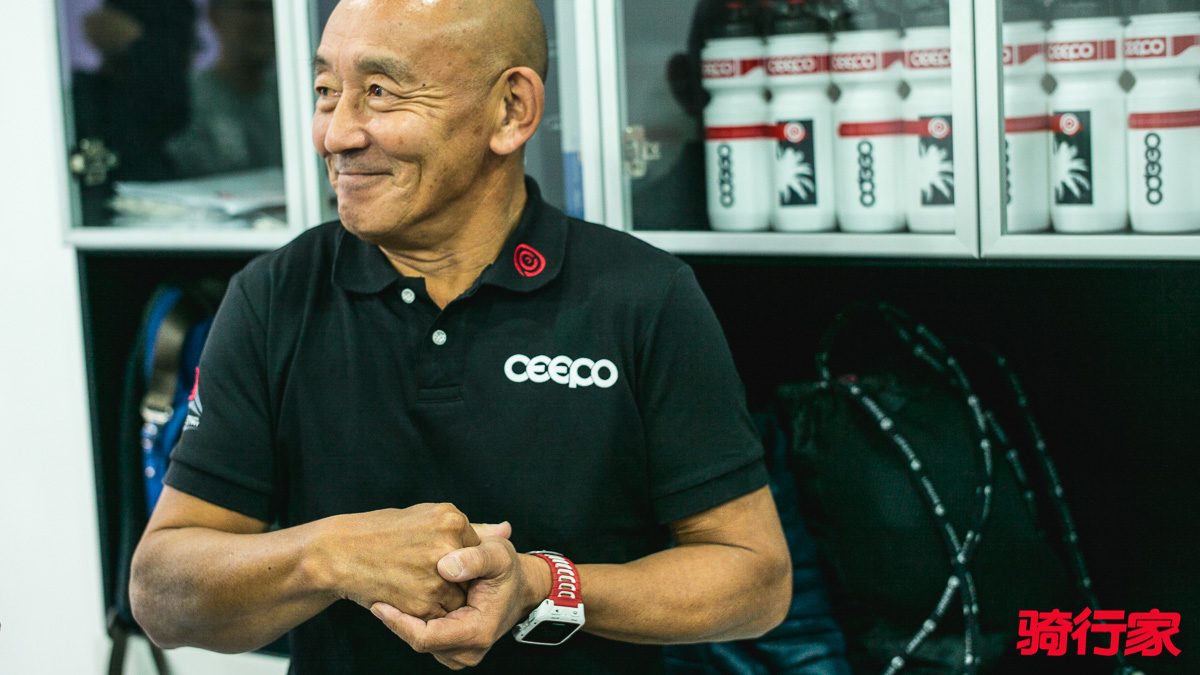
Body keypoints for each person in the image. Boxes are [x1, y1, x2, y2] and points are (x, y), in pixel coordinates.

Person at [129, 0, 791, 673]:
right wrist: (328, 555)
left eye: (380, 91)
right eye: (327, 91)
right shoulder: (274, 298)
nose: (337, 134)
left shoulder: (642, 295)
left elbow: (755, 580)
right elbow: (161, 591)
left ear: (510, 110)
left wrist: (541, 585)